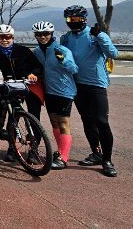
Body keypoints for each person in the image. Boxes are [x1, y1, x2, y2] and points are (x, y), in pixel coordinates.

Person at [59, 5, 120, 177]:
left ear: (84, 19)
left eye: (77, 19)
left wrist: (100, 35)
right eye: (70, 19)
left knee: (102, 122)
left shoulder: (95, 35)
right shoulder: (66, 38)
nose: (73, 22)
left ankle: (107, 160)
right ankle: (96, 153)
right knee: (87, 120)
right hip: (77, 85)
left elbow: (114, 54)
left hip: (96, 85)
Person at [0, 23, 44, 162]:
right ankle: (12, 148)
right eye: (1, 37)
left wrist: (32, 74)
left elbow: (38, 67)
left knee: (34, 118)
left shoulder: (23, 50)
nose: (4, 40)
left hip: (30, 85)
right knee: (13, 117)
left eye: (7, 37)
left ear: (12, 37)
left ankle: (34, 150)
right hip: (11, 86)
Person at [31, 22, 79, 170]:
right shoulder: (37, 52)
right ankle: (60, 151)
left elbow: (74, 69)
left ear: (51, 34)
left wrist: (63, 60)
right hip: (49, 91)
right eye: (39, 34)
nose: (42, 37)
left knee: (63, 122)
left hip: (64, 91)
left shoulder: (61, 49)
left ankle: (64, 157)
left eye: (46, 34)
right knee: (54, 123)